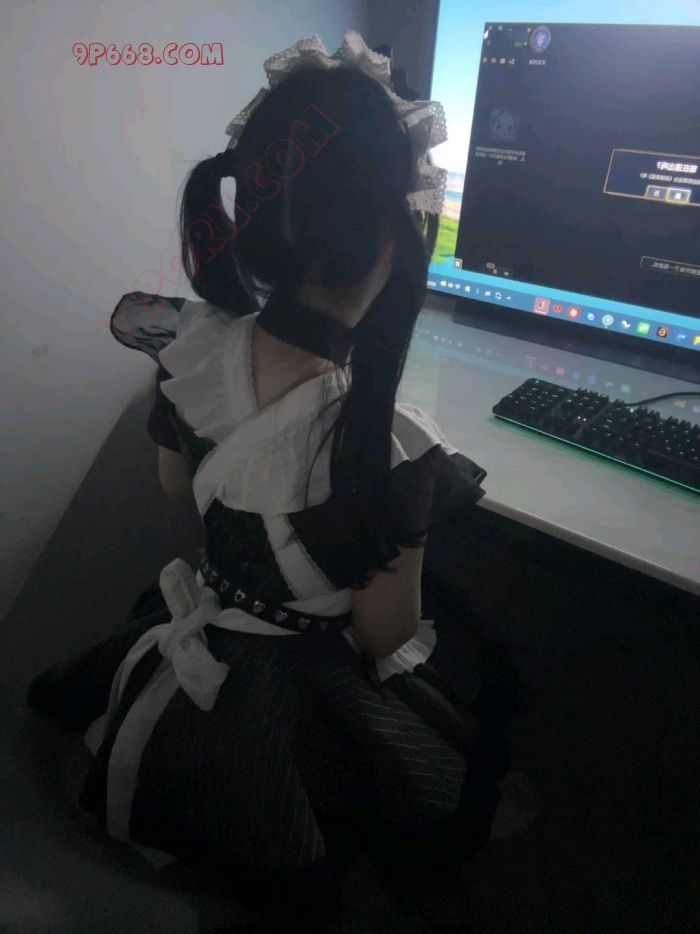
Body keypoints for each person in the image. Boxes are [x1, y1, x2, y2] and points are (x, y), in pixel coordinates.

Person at [27, 32, 523, 934]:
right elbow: (384, 631)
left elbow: (177, 486)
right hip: (289, 701)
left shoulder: (191, 350)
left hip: (199, 631)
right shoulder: (393, 448)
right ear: (392, 239)